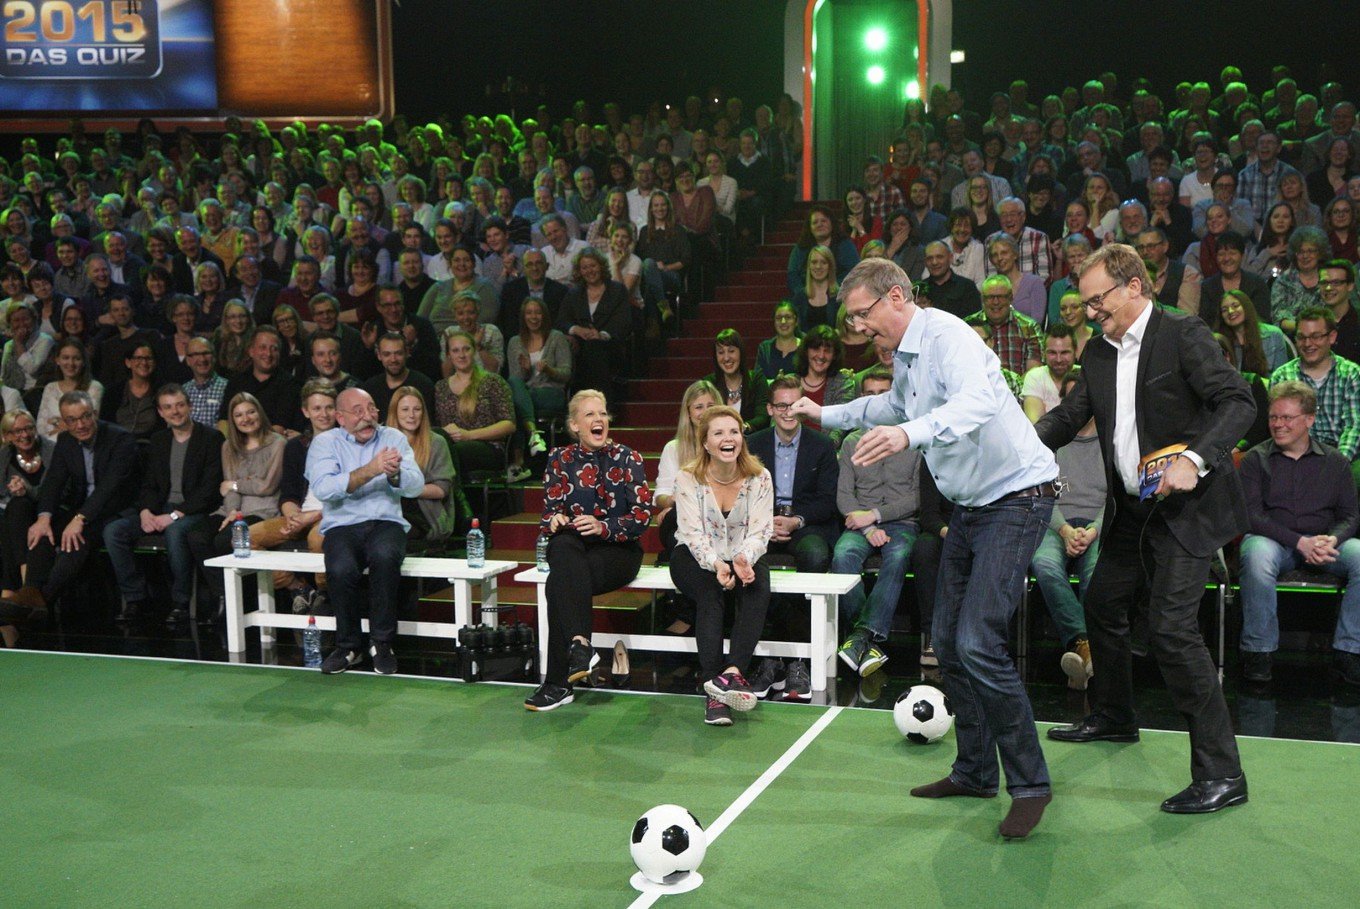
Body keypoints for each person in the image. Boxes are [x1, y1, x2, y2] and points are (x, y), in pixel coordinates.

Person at [794, 257, 1060, 839]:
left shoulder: (948, 335)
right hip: (971, 507)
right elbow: (893, 407)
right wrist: (826, 413)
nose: (861, 328)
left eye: (864, 315)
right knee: (946, 640)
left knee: (977, 641)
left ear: (896, 296)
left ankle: (1031, 784)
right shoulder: (909, 356)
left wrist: (907, 434)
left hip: (1018, 497)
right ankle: (972, 771)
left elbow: (977, 405)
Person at [1036, 242, 1255, 815]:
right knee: (1103, 601)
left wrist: (1195, 460)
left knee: (1171, 631)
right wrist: (1014, 450)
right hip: (1133, 509)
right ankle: (1113, 716)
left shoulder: (1183, 334)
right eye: (1084, 304)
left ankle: (1222, 774)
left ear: (1134, 285)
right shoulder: (1098, 353)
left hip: (1189, 508)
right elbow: (1069, 415)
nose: (1090, 311)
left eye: (1098, 299)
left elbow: (1238, 401)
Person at [525, 389, 653, 711]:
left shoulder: (628, 458)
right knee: (562, 546)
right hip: (574, 548)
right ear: (574, 425)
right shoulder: (559, 459)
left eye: (602, 413)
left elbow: (641, 517)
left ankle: (558, 683)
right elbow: (549, 512)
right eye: (590, 415)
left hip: (618, 550)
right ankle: (580, 646)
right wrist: (554, 519)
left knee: (559, 583)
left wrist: (602, 526)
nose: (599, 420)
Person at [1237, 381, 1360, 686]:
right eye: (1273, 418)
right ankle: (1259, 652)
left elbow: (1350, 515)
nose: (1278, 425)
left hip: (1323, 544)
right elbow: (1251, 516)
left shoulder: (1335, 462)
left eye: (1287, 418)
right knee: (1256, 554)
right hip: (1276, 542)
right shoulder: (1255, 459)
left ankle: (1349, 651)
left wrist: (1333, 539)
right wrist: (1299, 542)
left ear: (1309, 419)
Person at [307, 387, 425, 675]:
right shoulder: (325, 443)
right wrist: (371, 469)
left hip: (386, 521)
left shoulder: (393, 437)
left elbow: (416, 485)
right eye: (357, 411)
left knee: (384, 556)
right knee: (340, 567)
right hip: (343, 524)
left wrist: (396, 473)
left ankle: (382, 644)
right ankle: (348, 646)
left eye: (371, 409)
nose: (367, 417)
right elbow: (324, 488)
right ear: (340, 417)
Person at [670, 404, 774, 725]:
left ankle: (731, 675)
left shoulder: (759, 477)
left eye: (734, 431)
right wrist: (716, 563)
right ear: (706, 443)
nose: (728, 438)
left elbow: (761, 530)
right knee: (711, 592)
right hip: (693, 555)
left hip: (741, 552)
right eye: (719, 433)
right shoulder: (688, 478)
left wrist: (744, 558)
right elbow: (692, 534)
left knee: (759, 583)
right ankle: (712, 692)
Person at [1, 391, 139, 621]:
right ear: (64, 422)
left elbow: (109, 488)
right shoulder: (66, 441)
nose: (81, 424)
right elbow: (54, 482)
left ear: (94, 413)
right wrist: (44, 517)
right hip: (81, 508)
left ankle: (43, 600)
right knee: (43, 530)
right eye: (72, 420)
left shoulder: (119, 439)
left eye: (85, 416)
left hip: (114, 510)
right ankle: (31, 592)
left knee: (76, 537)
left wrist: (79, 519)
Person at [747, 375, 840, 703]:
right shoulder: (753, 444)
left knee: (815, 555)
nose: (789, 411)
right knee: (750, 562)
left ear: (804, 408)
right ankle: (769, 658)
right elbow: (742, 493)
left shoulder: (823, 445)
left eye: (795, 405)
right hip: (762, 526)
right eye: (782, 405)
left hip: (807, 526)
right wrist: (764, 522)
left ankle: (798, 661)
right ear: (770, 409)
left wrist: (796, 519)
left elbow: (830, 500)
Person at [102, 383, 224, 624]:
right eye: (168, 407)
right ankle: (136, 598)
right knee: (113, 531)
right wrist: (146, 511)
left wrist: (176, 515)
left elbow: (209, 491)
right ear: (160, 412)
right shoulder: (158, 440)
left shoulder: (211, 438)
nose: (175, 411)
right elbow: (148, 484)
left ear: (189, 406)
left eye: (179, 405)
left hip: (196, 512)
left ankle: (180, 602)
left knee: (176, 532)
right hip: (159, 510)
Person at [831, 366, 922, 678]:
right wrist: (868, 526)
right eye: (868, 394)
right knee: (842, 556)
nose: (875, 400)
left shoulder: (913, 440)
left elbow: (917, 498)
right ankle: (866, 637)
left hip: (902, 523)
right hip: (859, 524)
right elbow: (844, 495)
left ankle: (859, 637)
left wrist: (877, 516)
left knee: (897, 557)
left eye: (881, 394)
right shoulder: (850, 442)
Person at [1029, 374, 1102, 690]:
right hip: (1056, 523)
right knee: (1043, 565)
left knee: (1097, 571)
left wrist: (1095, 530)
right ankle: (1085, 646)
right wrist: (1065, 530)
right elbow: (1045, 492)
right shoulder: (1051, 441)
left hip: (1100, 523)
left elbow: (1116, 495)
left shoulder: (1112, 442)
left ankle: (1086, 655)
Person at [188, 392, 286, 615]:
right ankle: (224, 595)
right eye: (239, 415)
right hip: (232, 510)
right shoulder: (228, 447)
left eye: (251, 412)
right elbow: (228, 488)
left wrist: (234, 485)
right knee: (197, 536)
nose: (246, 418)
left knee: (227, 540)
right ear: (233, 420)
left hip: (263, 511)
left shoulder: (278, 444)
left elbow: (266, 487)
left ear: (259, 413)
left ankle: (244, 599)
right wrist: (232, 510)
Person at [1268, 306, 1360, 470]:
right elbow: (1280, 427)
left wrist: (1335, 465)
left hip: (1343, 456)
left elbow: (1353, 427)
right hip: (1296, 456)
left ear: (1331, 337)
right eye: (1302, 337)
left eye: (1316, 337)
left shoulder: (1352, 374)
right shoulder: (1282, 377)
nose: (1308, 344)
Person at [434, 329, 515, 477]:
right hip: (451, 445)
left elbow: (509, 424)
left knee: (451, 453)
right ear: (448, 355)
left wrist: (469, 435)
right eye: (456, 350)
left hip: (489, 447)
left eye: (466, 349)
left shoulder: (493, 381)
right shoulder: (440, 387)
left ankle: (456, 498)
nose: (462, 355)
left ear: (474, 351)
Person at [386, 386, 459, 544]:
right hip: (388, 510)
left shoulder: (437, 442)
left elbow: (441, 490)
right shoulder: (383, 442)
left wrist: (403, 488)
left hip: (423, 513)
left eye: (417, 409)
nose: (411, 415)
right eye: (405, 409)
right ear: (395, 412)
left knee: (388, 532)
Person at [557, 247, 631, 397]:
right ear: (579, 271)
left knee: (594, 349)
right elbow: (561, 321)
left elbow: (623, 322)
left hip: (610, 346)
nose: (589, 271)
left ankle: (601, 405)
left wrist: (602, 335)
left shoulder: (617, 290)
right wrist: (575, 329)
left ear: (601, 266)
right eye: (584, 267)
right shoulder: (573, 294)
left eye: (593, 266)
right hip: (579, 347)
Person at [0, 410, 53, 602]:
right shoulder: (4, 456)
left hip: (47, 513)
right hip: (16, 516)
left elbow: (54, 491)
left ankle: (10, 591)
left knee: (17, 510)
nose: (24, 435)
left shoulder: (51, 450)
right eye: (17, 431)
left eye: (29, 428)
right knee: (16, 507)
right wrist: (12, 491)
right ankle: (24, 589)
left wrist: (27, 490)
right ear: (6, 436)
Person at [964, 275, 1044, 375]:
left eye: (1001, 297)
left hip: (1019, 389)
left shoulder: (1029, 327)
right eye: (990, 297)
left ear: (1010, 297)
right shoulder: (967, 326)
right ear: (982, 299)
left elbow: (1033, 374)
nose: (996, 302)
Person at [35, 338, 104, 443]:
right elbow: (40, 428)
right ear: (57, 360)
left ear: (84, 361)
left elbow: (88, 425)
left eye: (76, 358)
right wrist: (69, 424)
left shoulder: (94, 387)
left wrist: (55, 422)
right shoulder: (50, 388)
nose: (71, 363)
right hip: (50, 445)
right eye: (65, 358)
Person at [1021, 324, 1079, 421]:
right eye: (1052, 353)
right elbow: (1037, 426)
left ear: (1076, 352)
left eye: (1064, 353)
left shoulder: (1086, 375)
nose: (1058, 359)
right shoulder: (1035, 377)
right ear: (1043, 353)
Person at [755, 301, 802, 380]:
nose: (783, 322)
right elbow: (757, 381)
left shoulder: (806, 347)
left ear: (796, 321)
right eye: (779, 318)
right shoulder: (765, 348)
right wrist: (775, 383)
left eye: (788, 317)